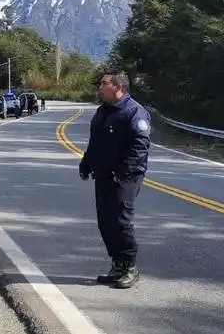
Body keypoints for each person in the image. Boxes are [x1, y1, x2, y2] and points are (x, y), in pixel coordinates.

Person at [78, 69, 151, 289]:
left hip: (124, 178)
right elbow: (95, 143)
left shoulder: (134, 113)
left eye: (104, 83)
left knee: (121, 221)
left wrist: (123, 174)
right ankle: (117, 264)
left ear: (118, 87)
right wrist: (86, 163)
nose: (99, 87)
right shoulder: (103, 111)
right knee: (105, 221)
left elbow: (139, 148)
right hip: (102, 174)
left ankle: (130, 267)